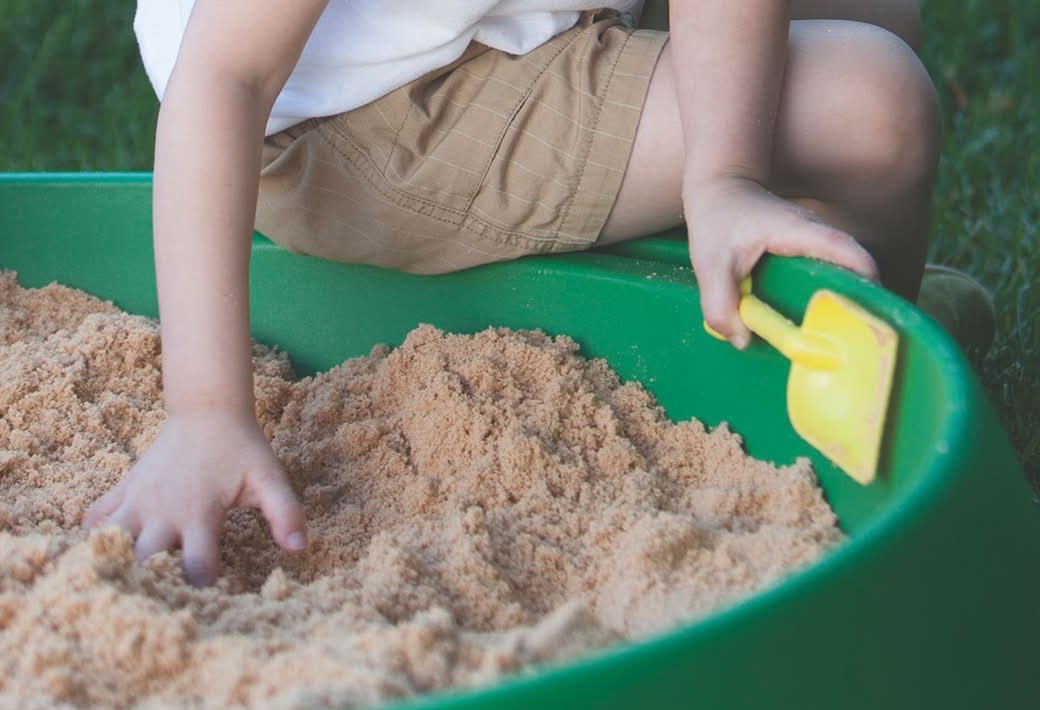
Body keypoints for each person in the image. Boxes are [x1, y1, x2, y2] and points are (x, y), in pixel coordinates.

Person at [85, 0, 994, 585]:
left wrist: (725, 176)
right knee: (870, 103)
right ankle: (850, 426)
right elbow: (224, 77)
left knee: (870, 17)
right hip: (363, 117)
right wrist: (206, 410)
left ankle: (839, 308)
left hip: (489, 25)